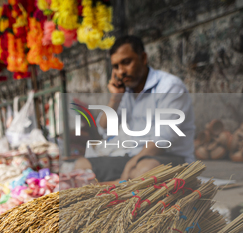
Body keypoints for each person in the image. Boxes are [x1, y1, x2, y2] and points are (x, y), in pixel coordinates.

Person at [73, 35, 196, 182]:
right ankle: (119, 186)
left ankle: (115, 186)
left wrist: (132, 164)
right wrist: (115, 98)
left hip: (169, 157)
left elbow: (163, 139)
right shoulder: (126, 92)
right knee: (80, 166)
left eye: (126, 62)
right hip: (132, 156)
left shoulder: (170, 86)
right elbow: (104, 128)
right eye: (116, 66)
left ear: (143, 58)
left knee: (143, 172)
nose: (121, 72)